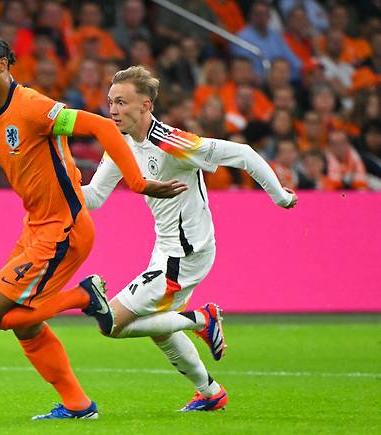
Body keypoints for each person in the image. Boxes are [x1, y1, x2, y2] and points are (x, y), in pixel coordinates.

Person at [0, 34, 186, 420]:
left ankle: (84, 296)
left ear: (2, 65)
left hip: (65, 229)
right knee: (24, 326)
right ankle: (78, 405)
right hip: (36, 228)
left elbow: (101, 127)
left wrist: (138, 182)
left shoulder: (33, 107)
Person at [81, 66, 298, 412]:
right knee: (158, 329)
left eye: (122, 102)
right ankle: (210, 393)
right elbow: (94, 196)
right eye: (111, 102)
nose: (114, 110)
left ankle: (203, 319)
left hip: (186, 253)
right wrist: (56, 187)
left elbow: (242, 154)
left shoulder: (171, 142)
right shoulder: (119, 143)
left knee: (111, 323)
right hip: (164, 251)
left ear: (146, 106)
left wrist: (280, 197)